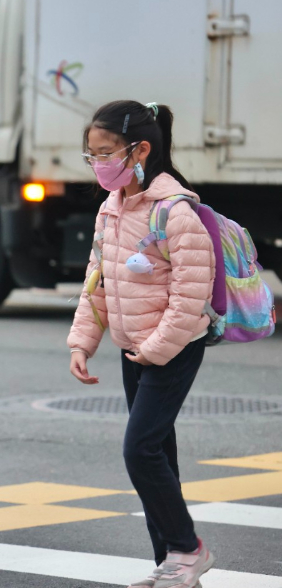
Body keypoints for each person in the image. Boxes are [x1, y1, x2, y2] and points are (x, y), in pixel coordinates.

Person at [67, 100, 216, 588]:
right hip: (135, 347)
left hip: (172, 347)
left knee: (140, 450)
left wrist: (156, 348)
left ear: (140, 150)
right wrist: (83, 342)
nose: (98, 164)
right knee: (160, 456)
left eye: (106, 153)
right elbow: (98, 280)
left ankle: (188, 550)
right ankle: (171, 567)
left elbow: (191, 296)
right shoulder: (109, 210)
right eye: (91, 155)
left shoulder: (175, 211)